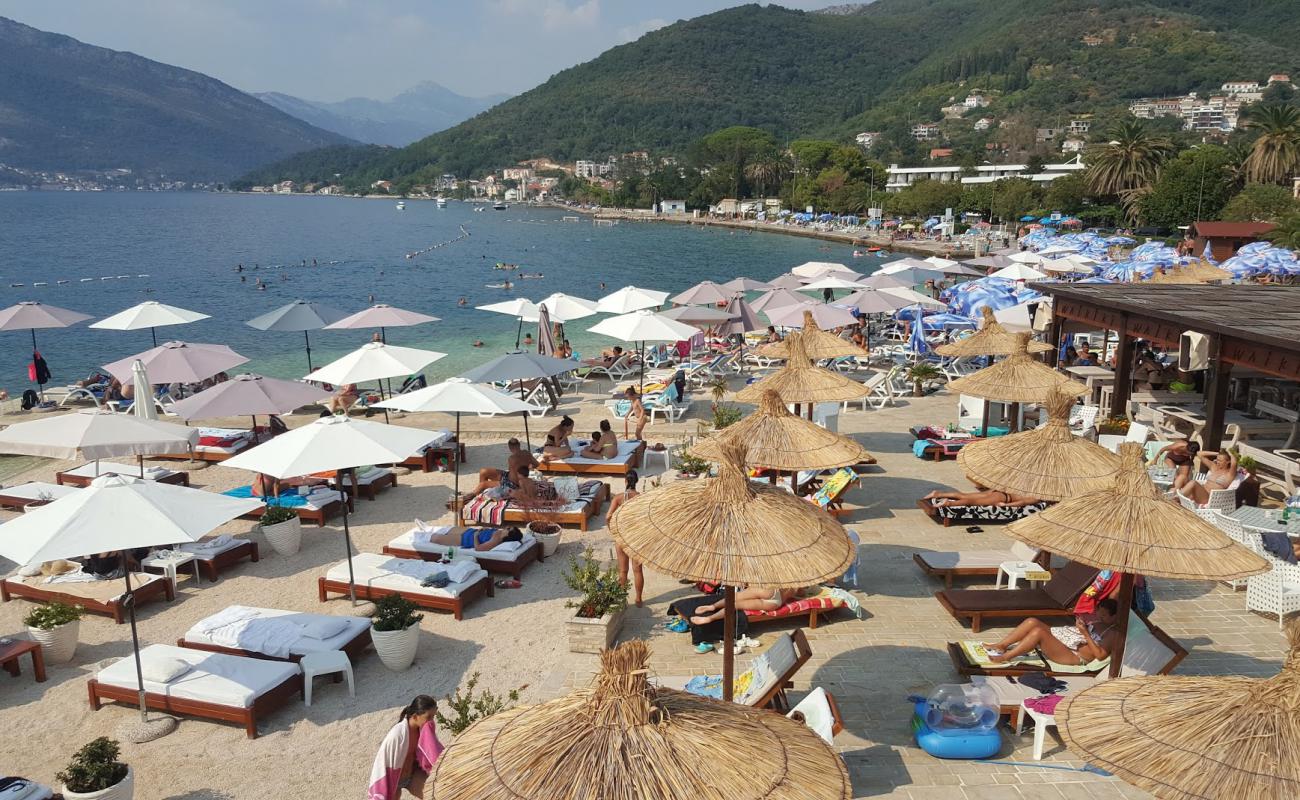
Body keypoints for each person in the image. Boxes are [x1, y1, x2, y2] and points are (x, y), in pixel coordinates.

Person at [982, 598, 1121, 665]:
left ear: (1115, 616)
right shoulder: (1098, 622)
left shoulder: (1112, 633)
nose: (1100, 618)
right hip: (1067, 643)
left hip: (1074, 656)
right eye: (1099, 614)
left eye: (1104, 616)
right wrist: (1080, 627)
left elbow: (1100, 656)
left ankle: (1006, 657)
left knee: (1038, 632)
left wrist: (1085, 633)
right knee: (1032, 621)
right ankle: (1002, 645)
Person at [367, 695, 443, 800]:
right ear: (415, 716)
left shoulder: (423, 732)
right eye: (428, 717)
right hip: (394, 780)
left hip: (412, 775)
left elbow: (432, 751)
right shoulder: (397, 735)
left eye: (433, 717)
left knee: (436, 795)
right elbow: (381, 764)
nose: (431, 721)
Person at [609, 470, 644, 606]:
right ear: (637, 481)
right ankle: (639, 599)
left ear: (625, 481)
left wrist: (611, 529)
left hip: (622, 536)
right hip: (636, 537)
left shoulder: (618, 498)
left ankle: (621, 599)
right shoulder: (641, 497)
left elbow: (608, 516)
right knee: (638, 570)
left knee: (623, 570)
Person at [463, 438, 538, 501]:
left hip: (511, 484)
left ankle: (472, 496)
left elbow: (515, 477)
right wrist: (528, 466)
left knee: (483, 484)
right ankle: (483, 493)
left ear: (509, 447)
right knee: (484, 471)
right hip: (509, 476)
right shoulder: (527, 453)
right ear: (519, 445)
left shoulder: (512, 459)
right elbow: (537, 464)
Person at [687, 586, 803, 625]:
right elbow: (800, 593)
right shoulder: (799, 587)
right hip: (774, 603)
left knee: (736, 596)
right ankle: (709, 618)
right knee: (736, 605)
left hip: (770, 589)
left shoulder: (788, 573)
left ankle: (712, 606)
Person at [426, 526, 524, 551]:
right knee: (445, 529)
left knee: (436, 538)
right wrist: (485, 529)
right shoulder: (499, 532)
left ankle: (420, 536)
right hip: (469, 531)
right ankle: (425, 529)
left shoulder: (496, 540)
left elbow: (478, 548)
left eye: (509, 529)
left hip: (465, 539)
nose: (507, 527)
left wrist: (476, 536)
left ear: (508, 535)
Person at [922, 487, 1040, 507]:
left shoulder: (1032, 487)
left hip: (998, 491)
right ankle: (949, 503)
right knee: (971, 501)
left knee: (965, 495)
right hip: (1002, 497)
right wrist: (1006, 505)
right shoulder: (1037, 497)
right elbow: (1022, 503)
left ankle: (938, 494)